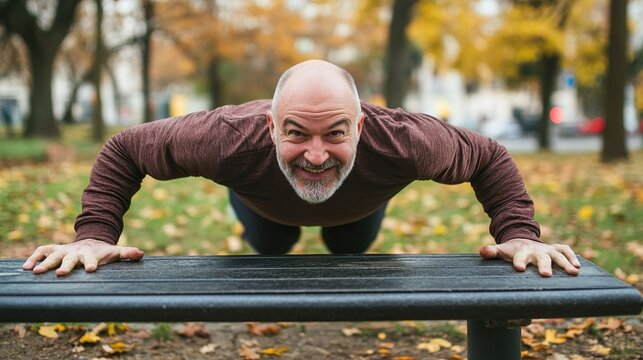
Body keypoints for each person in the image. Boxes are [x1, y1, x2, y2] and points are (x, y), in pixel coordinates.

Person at [22, 60, 580, 277]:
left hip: (359, 209)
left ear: (361, 128)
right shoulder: (226, 138)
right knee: (271, 244)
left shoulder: (406, 141)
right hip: (262, 204)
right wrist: (95, 236)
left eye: (335, 133)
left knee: (349, 253)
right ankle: (264, 222)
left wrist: (518, 235)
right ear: (269, 126)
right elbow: (125, 149)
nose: (316, 153)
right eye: (295, 133)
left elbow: (488, 156)